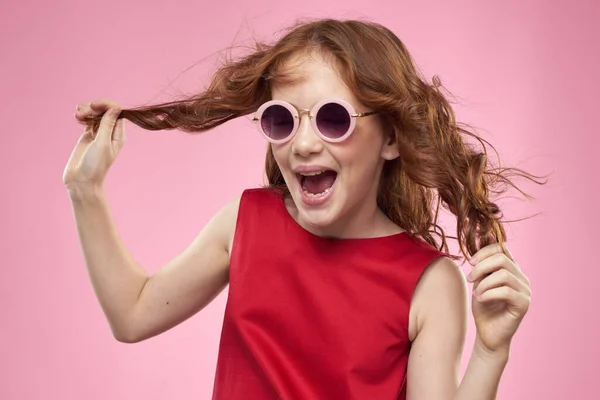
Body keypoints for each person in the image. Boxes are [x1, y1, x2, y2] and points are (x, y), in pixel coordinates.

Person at [65, 18, 545, 400]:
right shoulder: (246, 222)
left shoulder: (430, 282)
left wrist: (489, 351)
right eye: (282, 119)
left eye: (333, 118)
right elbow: (132, 315)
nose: (304, 144)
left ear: (393, 138)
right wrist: (85, 189)